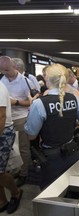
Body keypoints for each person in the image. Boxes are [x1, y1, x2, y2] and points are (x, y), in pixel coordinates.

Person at [24, 64, 79, 189]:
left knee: (50, 191)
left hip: (51, 157)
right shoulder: (74, 98)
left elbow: (31, 136)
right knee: (70, 187)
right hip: (72, 152)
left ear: (47, 79)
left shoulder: (39, 103)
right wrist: (76, 130)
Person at [0, 56, 34, 187]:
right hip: (7, 119)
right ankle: (13, 170)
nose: (4, 72)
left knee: (23, 148)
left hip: (21, 118)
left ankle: (24, 173)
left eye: (7, 69)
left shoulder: (25, 81)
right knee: (10, 149)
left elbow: (32, 101)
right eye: (2, 70)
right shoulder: (2, 80)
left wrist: (16, 102)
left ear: (14, 67)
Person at [0, 82, 23, 214]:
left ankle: (16, 193)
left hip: (3, 132)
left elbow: (1, 116)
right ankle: (2, 200)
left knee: (0, 172)